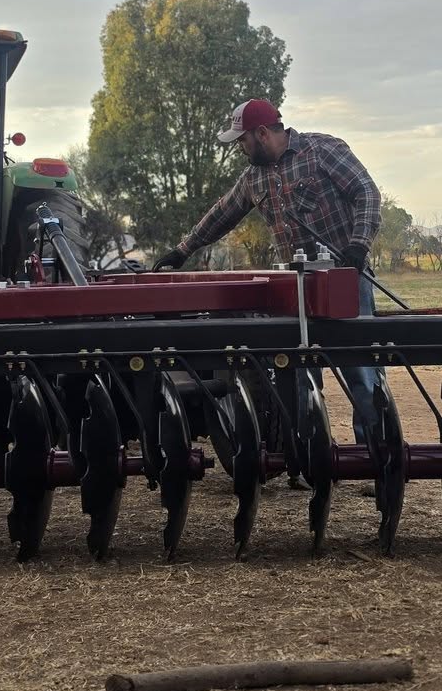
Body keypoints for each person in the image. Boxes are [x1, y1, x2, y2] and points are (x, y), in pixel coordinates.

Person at [153, 99, 385, 443]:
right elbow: (222, 215)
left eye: (242, 140)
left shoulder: (323, 151)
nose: (241, 148)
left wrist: (358, 246)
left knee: (361, 370)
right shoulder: (254, 178)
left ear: (262, 133)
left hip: (344, 280)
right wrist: (181, 251)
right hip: (294, 287)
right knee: (301, 373)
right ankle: (312, 456)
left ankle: (376, 457)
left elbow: (366, 192)